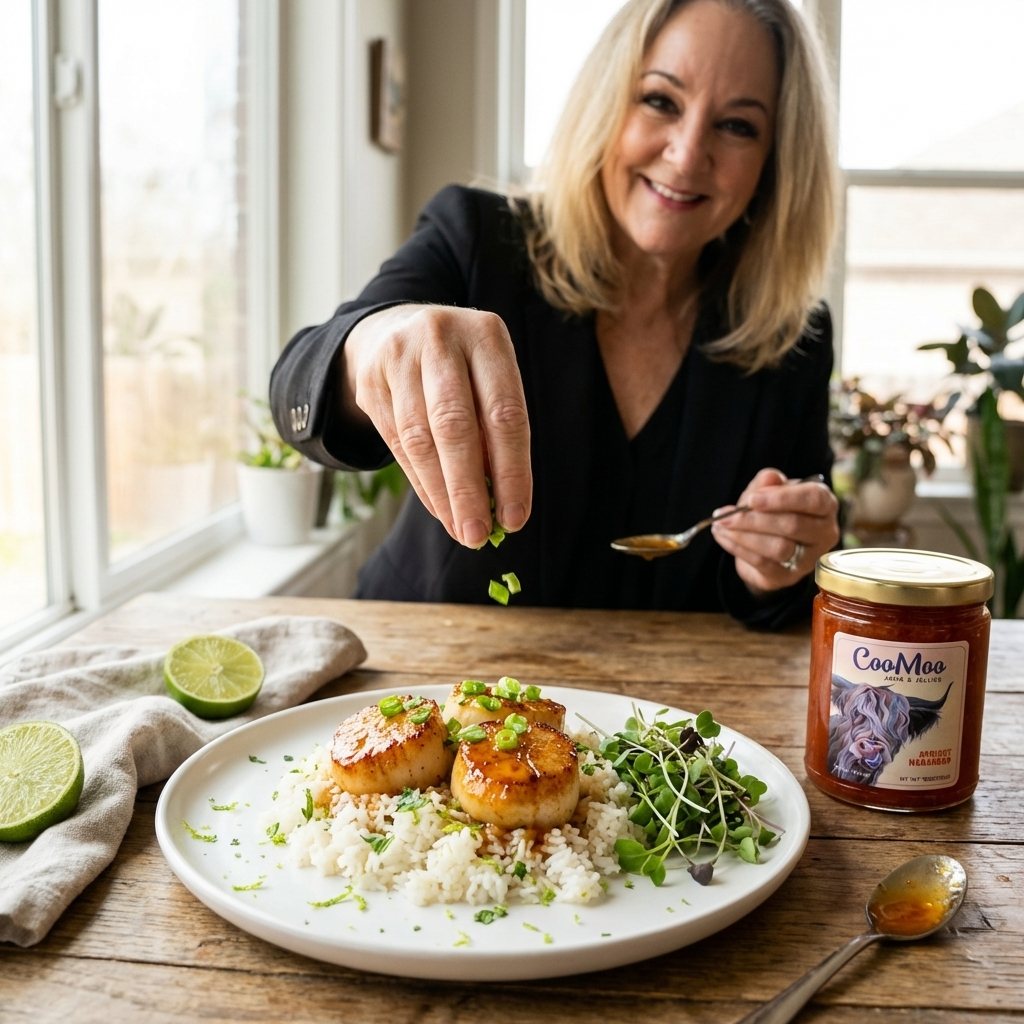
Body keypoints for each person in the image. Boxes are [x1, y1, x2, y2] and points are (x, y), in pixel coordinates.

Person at [271, 0, 841, 629]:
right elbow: (298, 386)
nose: (686, 154)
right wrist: (373, 344)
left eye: (737, 126)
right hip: (421, 674)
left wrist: (779, 567)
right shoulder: (476, 237)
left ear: (776, 163)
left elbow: (792, 595)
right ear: (606, 103)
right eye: (660, 101)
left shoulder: (797, 342)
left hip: (652, 716)